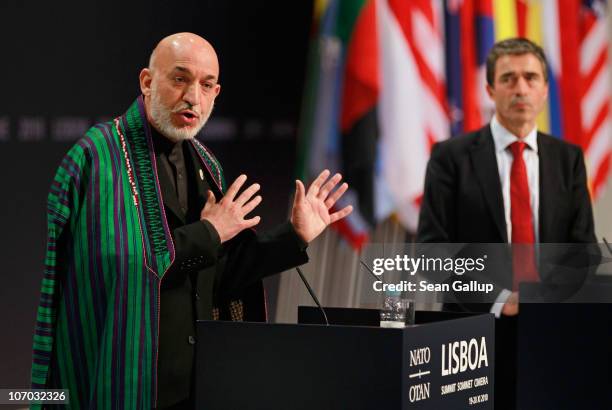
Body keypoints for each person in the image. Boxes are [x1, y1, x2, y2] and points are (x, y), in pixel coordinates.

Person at [31, 33, 352, 409]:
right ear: (147, 81)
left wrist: (294, 236)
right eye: (180, 79)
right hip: (129, 379)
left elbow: (219, 275)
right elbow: (122, 266)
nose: (193, 97)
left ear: (217, 94)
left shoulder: (205, 161)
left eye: (206, 85)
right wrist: (209, 232)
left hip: (197, 386)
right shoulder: (100, 156)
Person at [416, 38, 597, 409]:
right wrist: (500, 301)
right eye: (509, 78)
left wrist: (536, 301)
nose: (520, 88)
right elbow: (432, 251)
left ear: (545, 90)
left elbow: (583, 252)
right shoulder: (450, 157)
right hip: (469, 337)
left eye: (531, 78)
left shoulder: (569, 160)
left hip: (552, 334)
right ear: (489, 89)